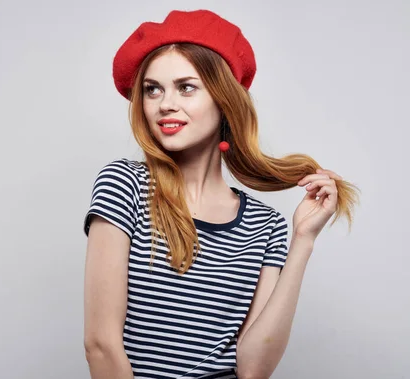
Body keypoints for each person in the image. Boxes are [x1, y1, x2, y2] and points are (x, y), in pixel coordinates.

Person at [82, 9, 360, 379]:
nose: (165, 103)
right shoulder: (125, 185)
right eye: (153, 89)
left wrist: (303, 241)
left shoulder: (266, 226)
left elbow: (254, 368)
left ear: (223, 97)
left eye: (186, 86)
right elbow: (101, 346)